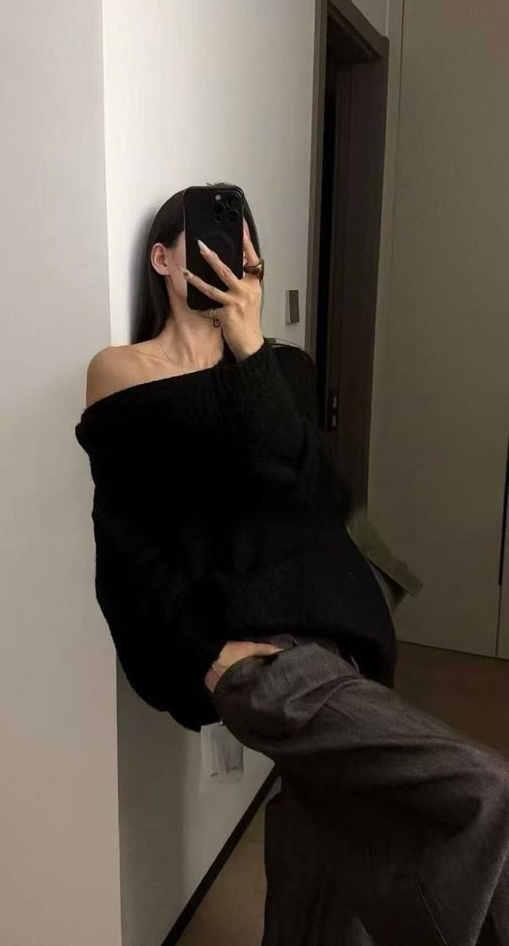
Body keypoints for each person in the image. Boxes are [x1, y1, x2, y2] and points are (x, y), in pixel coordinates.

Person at [75, 184, 509, 945]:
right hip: (252, 650)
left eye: (241, 249)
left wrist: (249, 351)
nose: (228, 261)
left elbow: (321, 491)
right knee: (486, 788)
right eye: (209, 244)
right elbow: (127, 545)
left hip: (337, 630)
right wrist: (202, 652)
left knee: (319, 830)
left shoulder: (280, 367)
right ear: (163, 259)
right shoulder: (121, 371)